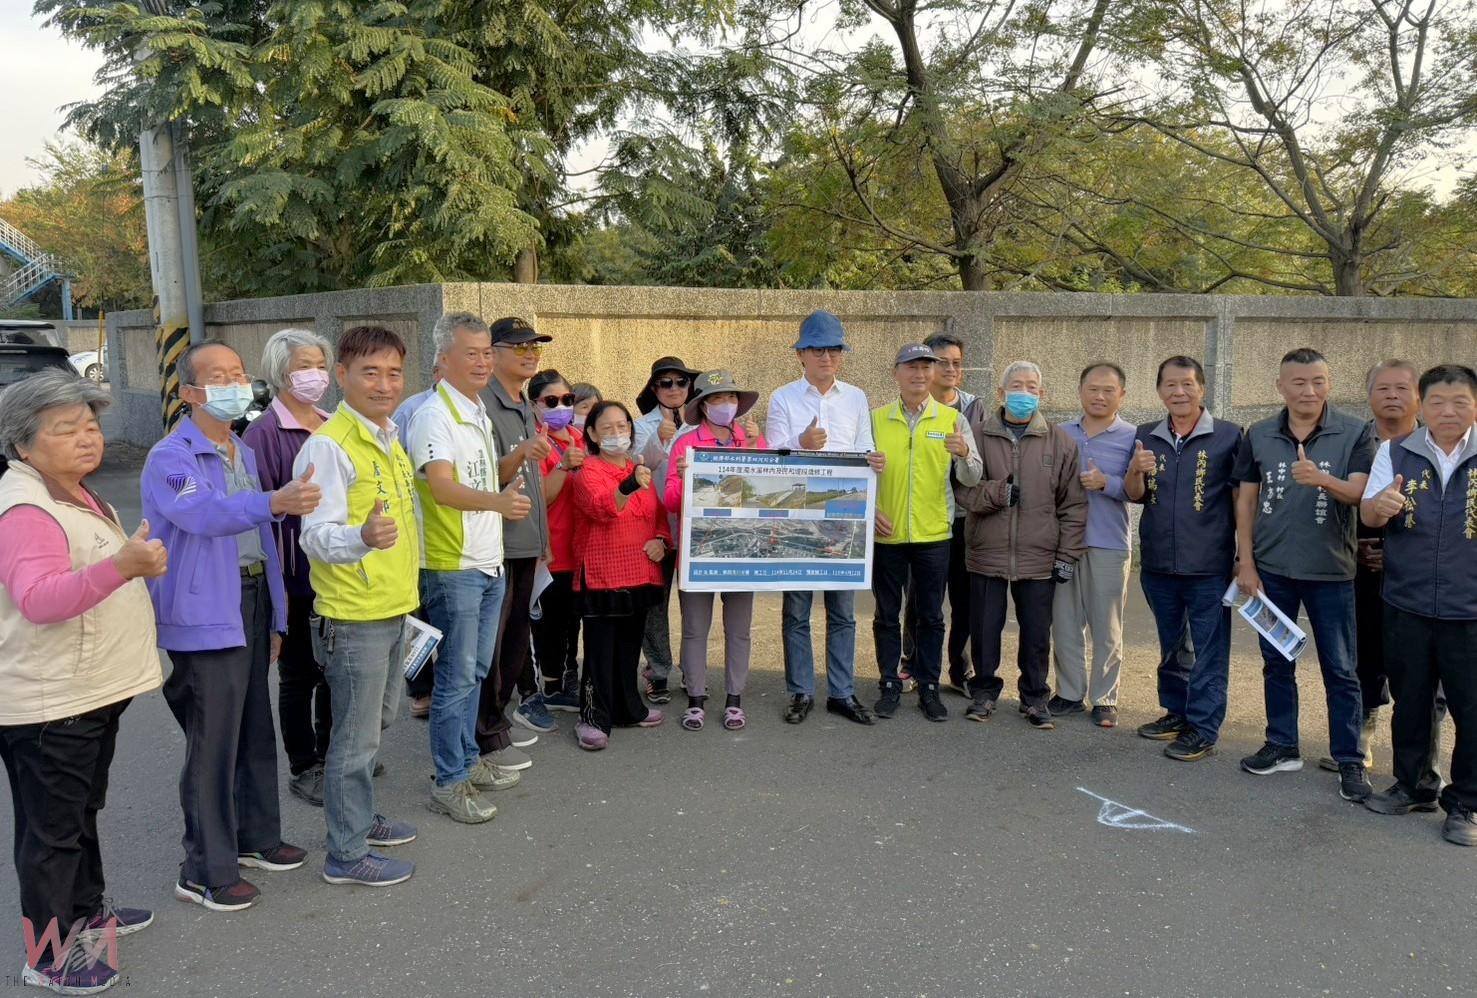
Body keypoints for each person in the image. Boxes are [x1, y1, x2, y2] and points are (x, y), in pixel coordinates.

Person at [0, 370, 165, 994]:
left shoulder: (74, 492)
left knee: (80, 814)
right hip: (50, 700)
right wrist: (123, 567)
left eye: (91, 426)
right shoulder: (26, 509)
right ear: (23, 444)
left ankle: (87, 915)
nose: (85, 439)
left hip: (87, 690)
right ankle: (48, 955)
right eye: (65, 430)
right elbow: (39, 600)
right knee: (51, 832)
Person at [142, 340, 314, 912]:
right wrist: (275, 501)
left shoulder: (241, 448)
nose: (233, 383)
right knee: (213, 740)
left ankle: (257, 837)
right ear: (190, 393)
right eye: (217, 376)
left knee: (253, 727)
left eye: (238, 373)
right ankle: (204, 869)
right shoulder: (173, 459)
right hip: (203, 610)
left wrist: (278, 614)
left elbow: (263, 542)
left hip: (251, 599)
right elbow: (204, 516)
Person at [295, 325, 422, 887]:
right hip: (353, 614)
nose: (384, 383)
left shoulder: (387, 435)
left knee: (378, 722)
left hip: (393, 607)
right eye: (370, 372)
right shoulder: (329, 444)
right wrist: (363, 540)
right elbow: (314, 536)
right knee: (355, 737)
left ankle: (358, 818)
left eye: (393, 372)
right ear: (341, 376)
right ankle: (345, 855)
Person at [1233, 347, 1375, 801]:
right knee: (1277, 661)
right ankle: (1282, 744)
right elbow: (1246, 502)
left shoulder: (1355, 431)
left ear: (1329, 384)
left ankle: (1349, 760)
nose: (1308, 390)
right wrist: (1247, 564)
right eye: (1298, 382)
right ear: (1280, 387)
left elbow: (1361, 494)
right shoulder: (1257, 434)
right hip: (1272, 571)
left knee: (1341, 668)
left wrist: (1323, 480)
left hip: (1331, 571)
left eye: (1317, 381)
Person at [408, 313, 532, 824]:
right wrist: (498, 504)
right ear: (443, 359)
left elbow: (481, 476)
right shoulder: (433, 415)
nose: (482, 362)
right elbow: (440, 486)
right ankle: (449, 780)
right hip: (451, 563)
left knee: (477, 670)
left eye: (486, 353)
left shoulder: (475, 410)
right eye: (472, 354)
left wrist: (515, 464)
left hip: (486, 560)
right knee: (457, 677)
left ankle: (467, 760)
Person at [1359, 363, 1477, 846]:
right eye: (1437, 403)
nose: (1447, 412)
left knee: (1471, 709)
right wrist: (1379, 508)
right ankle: (1413, 785)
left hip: (1469, 608)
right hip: (1406, 600)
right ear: (1421, 406)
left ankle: (1466, 804)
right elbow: (1368, 508)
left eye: (1460, 403)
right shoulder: (1394, 451)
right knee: (1411, 702)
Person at [1319, 360, 1445, 775]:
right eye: (1383, 388)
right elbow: (1336, 502)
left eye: (1402, 389)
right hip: (1354, 564)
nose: (1392, 396)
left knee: (1424, 669)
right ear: (1368, 395)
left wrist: (1395, 554)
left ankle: (1424, 757)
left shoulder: (1437, 445)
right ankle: (1363, 732)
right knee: (1363, 654)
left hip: (1420, 573)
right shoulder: (1353, 440)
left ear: (1418, 399)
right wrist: (1352, 548)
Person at [767, 311, 886, 725]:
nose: (826, 356)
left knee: (842, 611)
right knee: (796, 610)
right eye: (817, 348)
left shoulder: (855, 397)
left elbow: (865, 447)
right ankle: (800, 691)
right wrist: (800, 442)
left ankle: (843, 691)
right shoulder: (783, 397)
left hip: (842, 517)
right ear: (800, 354)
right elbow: (772, 459)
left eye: (834, 349)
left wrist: (874, 460)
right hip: (798, 517)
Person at [1125, 355, 1246, 762]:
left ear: (1202, 388)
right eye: (1171, 385)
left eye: (1188, 384)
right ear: (1159, 390)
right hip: (1159, 562)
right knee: (1171, 644)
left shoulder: (1229, 436)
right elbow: (1134, 494)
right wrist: (1136, 470)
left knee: (1210, 650)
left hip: (1208, 565)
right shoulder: (1146, 436)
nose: (1179, 392)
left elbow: (1240, 500)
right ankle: (1176, 712)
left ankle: (1204, 727)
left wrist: (1243, 556)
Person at [955, 360, 1085, 729]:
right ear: (1000, 392)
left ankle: (1034, 697)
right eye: (1016, 385)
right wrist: (998, 493)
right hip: (986, 552)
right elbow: (962, 490)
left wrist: (1067, 556)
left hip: (1039, 555)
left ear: (1042, 394)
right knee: (983, 628)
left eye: (1031, 387)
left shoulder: (1060, 442)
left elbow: (1073, 504)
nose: (1024, 393)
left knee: (1036, 633)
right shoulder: (977, 435)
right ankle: (983, 692)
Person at [242, 328, 335, 807]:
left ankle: (334, 752)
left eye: (320, 364)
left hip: (338, 571)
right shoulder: (264, 435)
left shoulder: (332, 422)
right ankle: (305, 766)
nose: (315, 374)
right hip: (296, 576)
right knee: (300, 674)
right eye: (304, 365)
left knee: (336, 670)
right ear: (281, 372)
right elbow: (261, 512)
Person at [872, 343, 984, 722]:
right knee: (887, 614)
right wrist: (870, 511)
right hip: (886, 533)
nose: (919, 374)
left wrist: (964, 452)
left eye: (926, 368)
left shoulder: (952, 419)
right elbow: (858, 474)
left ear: (933, 374)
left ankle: (929, 686)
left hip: (934, 534)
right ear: (896, 372)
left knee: (931, 615)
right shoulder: (876, 419)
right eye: (911, 367)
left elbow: (973, 476)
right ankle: (889, 682)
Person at [665, 370, 767, 732]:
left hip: (742, 551)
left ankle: (735, 699)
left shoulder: (753, 441)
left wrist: (756, 448)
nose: (726, 405)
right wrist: (684, 477)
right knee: (695, 628)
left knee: (739, 629)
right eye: (718, 399)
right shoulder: (685, 445)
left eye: (731, 398)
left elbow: (767, 490)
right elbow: (672, 500)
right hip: (699, 551)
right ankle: (695, 699)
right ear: (703, 406)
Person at [475, 316, 555, 767]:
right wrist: (520, 453)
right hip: (498, 543)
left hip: (526, 542)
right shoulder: (482, 404)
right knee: (494, 642)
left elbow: (529, 480)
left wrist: (543, 540)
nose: (530, 353)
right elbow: (485, 478)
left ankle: (496, 722)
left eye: (535, 346)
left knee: (513, 642)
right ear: (494, 353)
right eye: (520, 345)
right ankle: (485, 732)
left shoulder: (523, 403)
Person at [568, 400, 669, 750]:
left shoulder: (637, 466)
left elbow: (656, 516)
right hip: (601, 573)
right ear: (592, 434)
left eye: (623, 425)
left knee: (628, 647)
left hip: (640, 570)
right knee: (599, 651)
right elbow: (601, 508)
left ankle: (629, 708)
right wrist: (628, 485)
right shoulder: (587, 471)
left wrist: (661, 540)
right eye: (607, 427)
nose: (617, 433)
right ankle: (593, 716)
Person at [1050, 362, 1136, 728]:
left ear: (1122, 395)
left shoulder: (1134, 436)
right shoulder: (1059, 433)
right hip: (1064, 542)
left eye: (1108, 390)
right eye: (1093, 389)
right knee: (1065, 622)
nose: (1099, 396)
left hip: (1108, 543)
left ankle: (1104, 697)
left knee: (1107, 625)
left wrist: (1108, 483)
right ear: (1080, 391)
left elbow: (1140, 492)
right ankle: (1069, 692)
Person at [901, 331, 978, 694]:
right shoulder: (909, 408)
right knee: (919, 600)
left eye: (956, 363)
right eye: (941, 362)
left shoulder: (974, 411)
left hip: (966, 520)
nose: (949, 369)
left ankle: (960, 671)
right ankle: (912, 664)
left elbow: (979, 466)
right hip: (921, 521)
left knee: (964, 600)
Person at [631, 356, 699, 705]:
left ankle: (694, 672)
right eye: (665, 383)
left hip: (692, 531)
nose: (674, 389)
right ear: (654, 389)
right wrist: (657, 440)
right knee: (655, 607)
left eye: (681, 382)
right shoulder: (641, 426)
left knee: (694, 606)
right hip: (654, 530)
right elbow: (635, 470)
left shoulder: (701, 427)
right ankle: (658, 672)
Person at [529, 369, 590, 712]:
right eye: (551, 401)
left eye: (567, 400)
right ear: (534, 404)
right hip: (551, 550)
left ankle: (569, 676)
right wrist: (563, 467)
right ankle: (550, 684)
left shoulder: (580, 439)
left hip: (582, 549)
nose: (561, 407)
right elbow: (542, 498)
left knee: (573, 621)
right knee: (549, 624)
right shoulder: (536, 443)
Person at [393, 359, 441, 720]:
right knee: (418, 616)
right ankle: (420, 688)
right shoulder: (413, 409)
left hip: (453, 534)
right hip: (416, 528)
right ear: (437, 370)